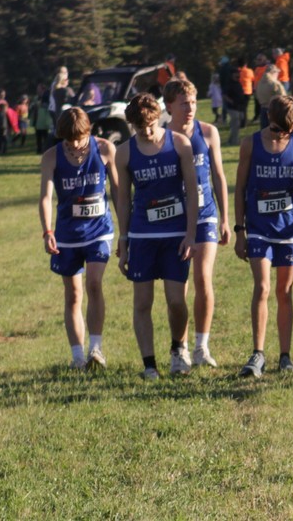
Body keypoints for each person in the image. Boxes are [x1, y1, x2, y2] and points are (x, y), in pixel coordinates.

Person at [114, 93, 199, 379]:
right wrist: (123, 242)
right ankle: (149, 364)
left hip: (175, 234)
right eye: (140, 129)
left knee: (176, 300)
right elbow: (124, 200)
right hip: (142, 236)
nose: (147, 132)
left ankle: (179, 348)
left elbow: (192, 192)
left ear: (158, 117)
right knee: (142, 302)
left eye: (150, 125)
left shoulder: (180, 144)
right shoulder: (124, 152)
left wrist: (190, 234)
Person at [233, 95, 293, 377]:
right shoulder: (250, 145)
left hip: (288, 228)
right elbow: (240, 188)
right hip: (258, 228)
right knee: (263, 287)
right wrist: (239, 231)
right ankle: (258, 354)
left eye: (288, 130)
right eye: (279, 129)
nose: (283, 135)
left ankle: (285, 357)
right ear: (269, 119)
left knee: (284, 291)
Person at [38, 107, 119, 370]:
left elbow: (118, 192)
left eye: (80, 138)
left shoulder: (105, 149)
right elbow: (46, 197)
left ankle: (96, 349)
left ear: (90, 130)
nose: (75, 143)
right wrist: (47, 231)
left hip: (99, 230)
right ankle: (77, 356)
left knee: (94, 284)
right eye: (68, 139)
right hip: (67, 234)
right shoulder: (51, 157)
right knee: (73, 294)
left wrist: (126, 232)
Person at [164, 79, 231, 368]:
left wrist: (227, 219)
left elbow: (218, 176)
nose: (190, 108)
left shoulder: (208, 132)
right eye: (183, 103)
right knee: (179, 290)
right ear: (169, 107)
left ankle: (202, 347)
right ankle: (180, 348)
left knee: (204, 278)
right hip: (175, 220)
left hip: (206, 216)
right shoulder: (162, 136)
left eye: (192, 102)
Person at [255, 64, 286, 129]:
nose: (278, 74)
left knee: (264, 133)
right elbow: (283, 98)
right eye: (277, 72)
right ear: (273, 72)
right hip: (274, 110)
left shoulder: (259, 83)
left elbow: (257, 95)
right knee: (275, 132)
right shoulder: (275, 84)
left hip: (263, 109)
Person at [222, 68, 244, 146]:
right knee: (235, 124)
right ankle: (234, 141)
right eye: (236, 73)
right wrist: (232, 102)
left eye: (238, 73)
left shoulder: (238, 83)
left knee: (237, 124)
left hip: (240, 107)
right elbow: (224, 95)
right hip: (232, 108)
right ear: (232, 75)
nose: (238, 75)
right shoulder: (229, 84)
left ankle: (231, 140)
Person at [29, 84, 53, 153]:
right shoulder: (36, 97)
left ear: (43, 89)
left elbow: (48, 106)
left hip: (44, 119)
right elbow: (33, 105)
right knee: (38, 136)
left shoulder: (47, 97)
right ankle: (39, 149)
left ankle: (45, 149)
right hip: (37, 118)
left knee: (44, 135)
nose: (37, 90)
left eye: (39, 89)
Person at [238, 58, 254, 128]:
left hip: (240, 91)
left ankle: (242, 123)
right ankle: (244, 122)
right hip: (248, 91)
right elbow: (253, 79)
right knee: (244, 108)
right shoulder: (249, 71)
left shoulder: (238, 71)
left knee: (241, 108)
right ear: (246, 64)